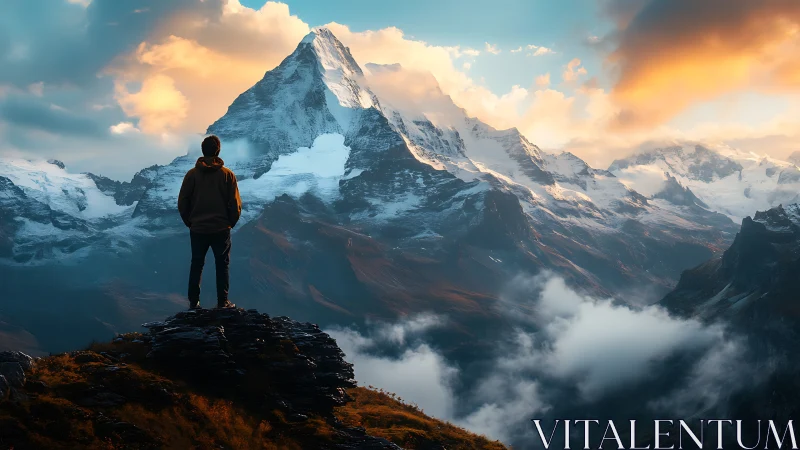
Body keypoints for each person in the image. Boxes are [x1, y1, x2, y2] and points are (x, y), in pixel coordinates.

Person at [177, 135, 242, 310]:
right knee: (222, 265)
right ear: (218, 150)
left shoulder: (191, 175)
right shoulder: (227, 175)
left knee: (197, 264)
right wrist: (230, 222)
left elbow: (183, 202)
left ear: (202, 150)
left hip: (198, 228)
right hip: (221, 228)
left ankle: (194, 303)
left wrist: (190, 222)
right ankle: (223, 302)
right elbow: (235, 204)